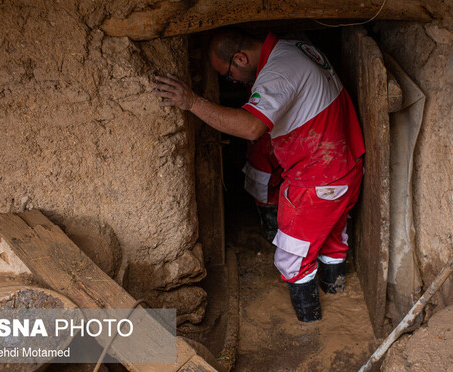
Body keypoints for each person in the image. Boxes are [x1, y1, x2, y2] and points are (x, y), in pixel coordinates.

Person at [152, 29, 365, 322]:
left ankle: (310, 324)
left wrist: (192, 102)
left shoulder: (278, 71)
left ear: (240, 58)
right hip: (347, 165)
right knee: (333, 237)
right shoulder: (296, 45)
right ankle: (336, 293)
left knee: (291, 257)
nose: (234, 82)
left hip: (318, 180)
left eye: (228, 76)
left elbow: (252, 127)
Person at [243, 133, 282, 242]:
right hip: (262, 166)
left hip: (273, 171)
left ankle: (274, 233)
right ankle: (271, 233)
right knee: (264, 199)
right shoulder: (259, 139)